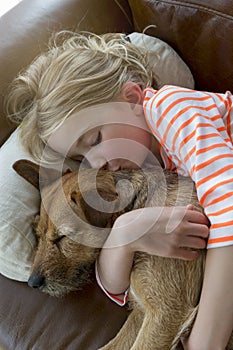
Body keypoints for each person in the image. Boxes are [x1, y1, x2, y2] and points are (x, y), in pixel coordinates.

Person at [6, 31, 233, 350]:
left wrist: (205, 342)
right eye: (82, 157)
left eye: (95, 139)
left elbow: (229, 207)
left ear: (132, 99)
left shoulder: (172, 109)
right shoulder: (141, 172)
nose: (97, 164)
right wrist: (127, 234)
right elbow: (117, 287)